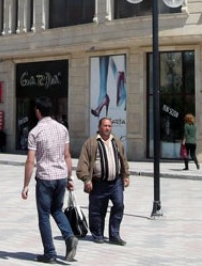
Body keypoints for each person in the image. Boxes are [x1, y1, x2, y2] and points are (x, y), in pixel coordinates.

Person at [22, 96, 79, 263]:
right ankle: (69, 236)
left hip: (45, 177)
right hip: (61, 176)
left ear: (38, 111)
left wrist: (25, 185)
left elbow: (30, 160)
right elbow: (67, 155)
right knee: (57, 210)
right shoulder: (62, 129)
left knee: (44, 215)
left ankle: (50, 253)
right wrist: (70, 177)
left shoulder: (35, 132)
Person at [76, 117, 130, 246]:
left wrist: (125, 175)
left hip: (115, 182)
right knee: (97, 210)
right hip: (98, 183)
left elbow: (123, 159)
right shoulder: (91, 143)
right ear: (99, 127)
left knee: (119, 205)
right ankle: (98, 234)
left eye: (109, 126)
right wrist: (86, 179)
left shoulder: (116, 142)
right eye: (105, 126)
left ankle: (114, 235)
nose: (107, 128)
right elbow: (83, 163)